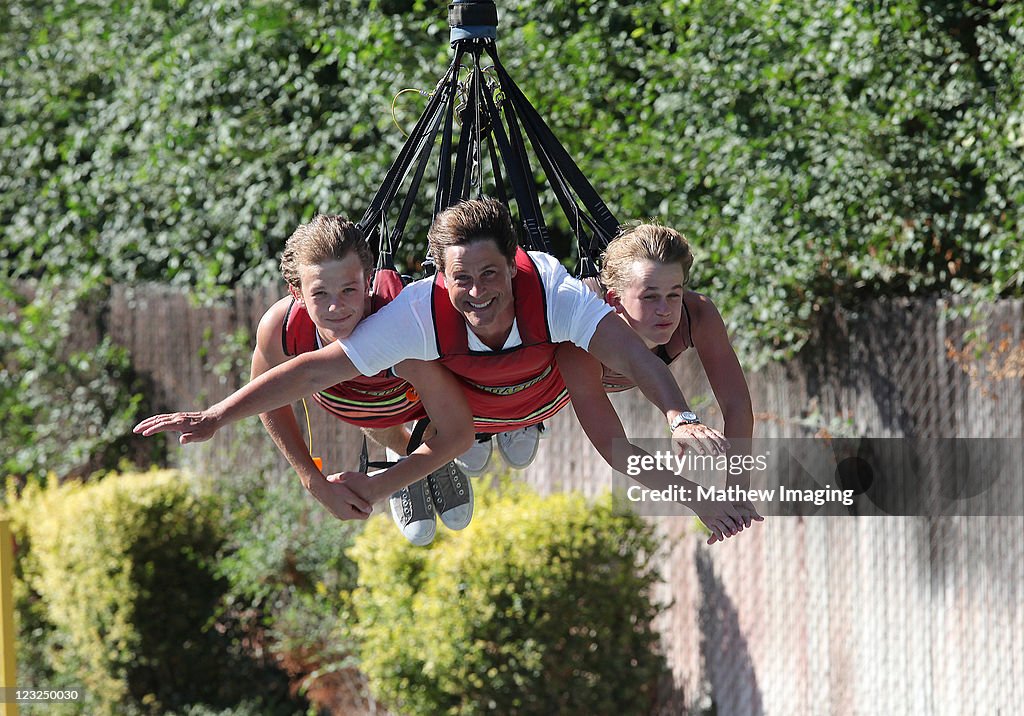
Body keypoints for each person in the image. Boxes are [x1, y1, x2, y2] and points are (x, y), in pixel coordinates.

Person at [135, 199, 748, 542]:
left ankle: (488, 441)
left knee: (481, 399)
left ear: (514, 265)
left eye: (490, 275)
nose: (477, 291)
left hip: (529, 401)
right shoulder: (410, 316)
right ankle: (438, 460)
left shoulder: (560, 298)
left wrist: (684, 420)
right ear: (440, 277)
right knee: (421, 409)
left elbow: (636, 367)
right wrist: (216, 416)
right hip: (454, 415)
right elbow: (307, 375)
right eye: (461, 278)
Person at [137, 215, 475, 546]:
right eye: (320, 294)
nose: (336, 307)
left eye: (349, 290)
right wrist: (311, 479)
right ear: (296, 291)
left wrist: (383, 484)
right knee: (372, 413)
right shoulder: (282, 330)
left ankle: (428, 457)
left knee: (444, 437)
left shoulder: (398, 325)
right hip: (361, 411)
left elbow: (457, 432)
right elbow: (271, 400)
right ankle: (406, 453)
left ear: (368, 278)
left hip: (419, 407)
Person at [598, 222, 763, 534]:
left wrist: (738, 491)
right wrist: (698, 500)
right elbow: (614, 449)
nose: (665, 310)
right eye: (650, 297)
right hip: (549, 382)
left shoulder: (696, 314)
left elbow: (737, 405)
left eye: (674, 294)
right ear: (614, 300)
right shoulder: (583, 336)